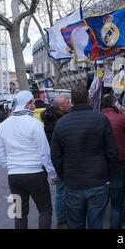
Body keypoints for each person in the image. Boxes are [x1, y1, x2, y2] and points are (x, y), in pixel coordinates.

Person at [51, 84, 119, 229]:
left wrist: (63, 175)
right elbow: (112, 151)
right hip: (98, 181)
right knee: (96, 223)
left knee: (75, 223)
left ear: (72, 101)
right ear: (88, 99)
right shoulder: (101, 120)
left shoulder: (61, 123)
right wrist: (110, 175)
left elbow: (56, 156)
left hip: (73, 183)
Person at [0, 91, 58, 229]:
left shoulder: (3, 125)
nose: (34, 105)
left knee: (19, 213)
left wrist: (10, 165)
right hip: (36, 174)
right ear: (27, 104)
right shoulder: (34, 124)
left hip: (14, 177)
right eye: (33, 102)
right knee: (45, 210)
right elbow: (44, 152)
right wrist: (52, 174)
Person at [101, 94, 125, 229]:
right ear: (115, 104)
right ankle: (121, 218)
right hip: (120, 161)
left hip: (101, 163)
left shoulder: (98, 118)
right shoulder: (121, 118)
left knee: (101, 196)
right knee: (119, 197)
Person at [41, 94, 71, 229]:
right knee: (62, 190)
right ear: (61, 107)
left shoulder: (49, 119)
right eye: (67, 102)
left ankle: (62, 219)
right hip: (62, 160)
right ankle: (62, 219)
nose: (70, 104)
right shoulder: (61, 121)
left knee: (61, 191)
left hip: (56, 159)